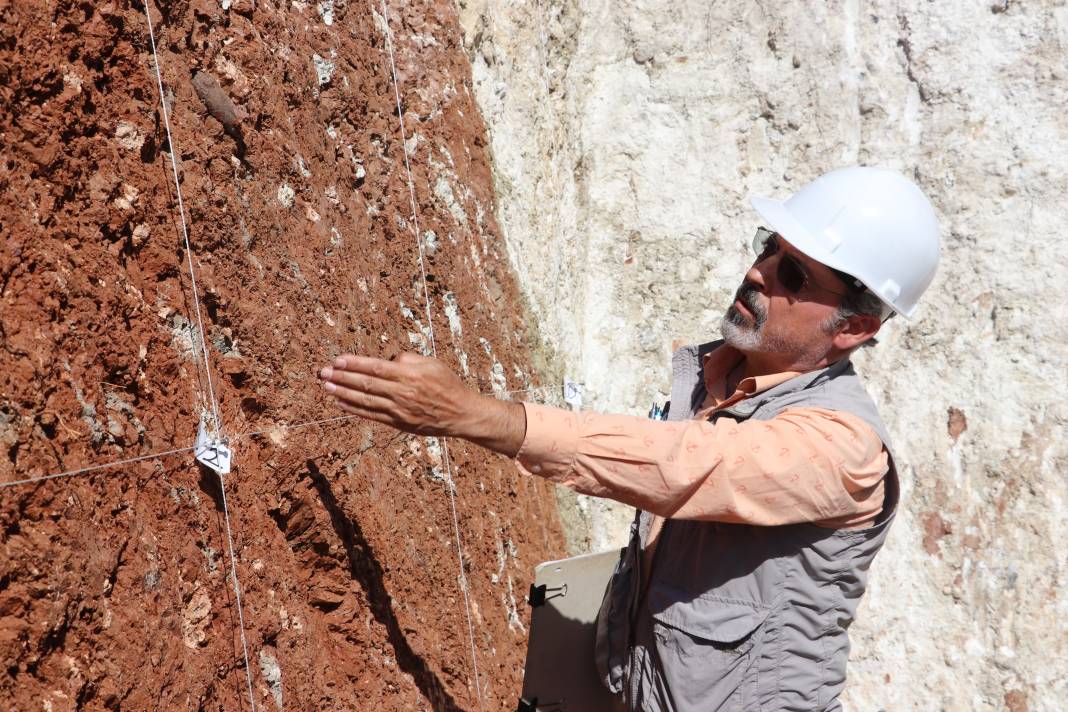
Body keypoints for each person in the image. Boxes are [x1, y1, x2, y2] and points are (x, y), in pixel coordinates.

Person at [318, 166, 941, 711]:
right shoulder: (720, 377)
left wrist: (476, 416)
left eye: (795, 276)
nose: (758, 272)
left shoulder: (843, 446)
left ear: (854, 326)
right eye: (767, 248)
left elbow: (683, 467)